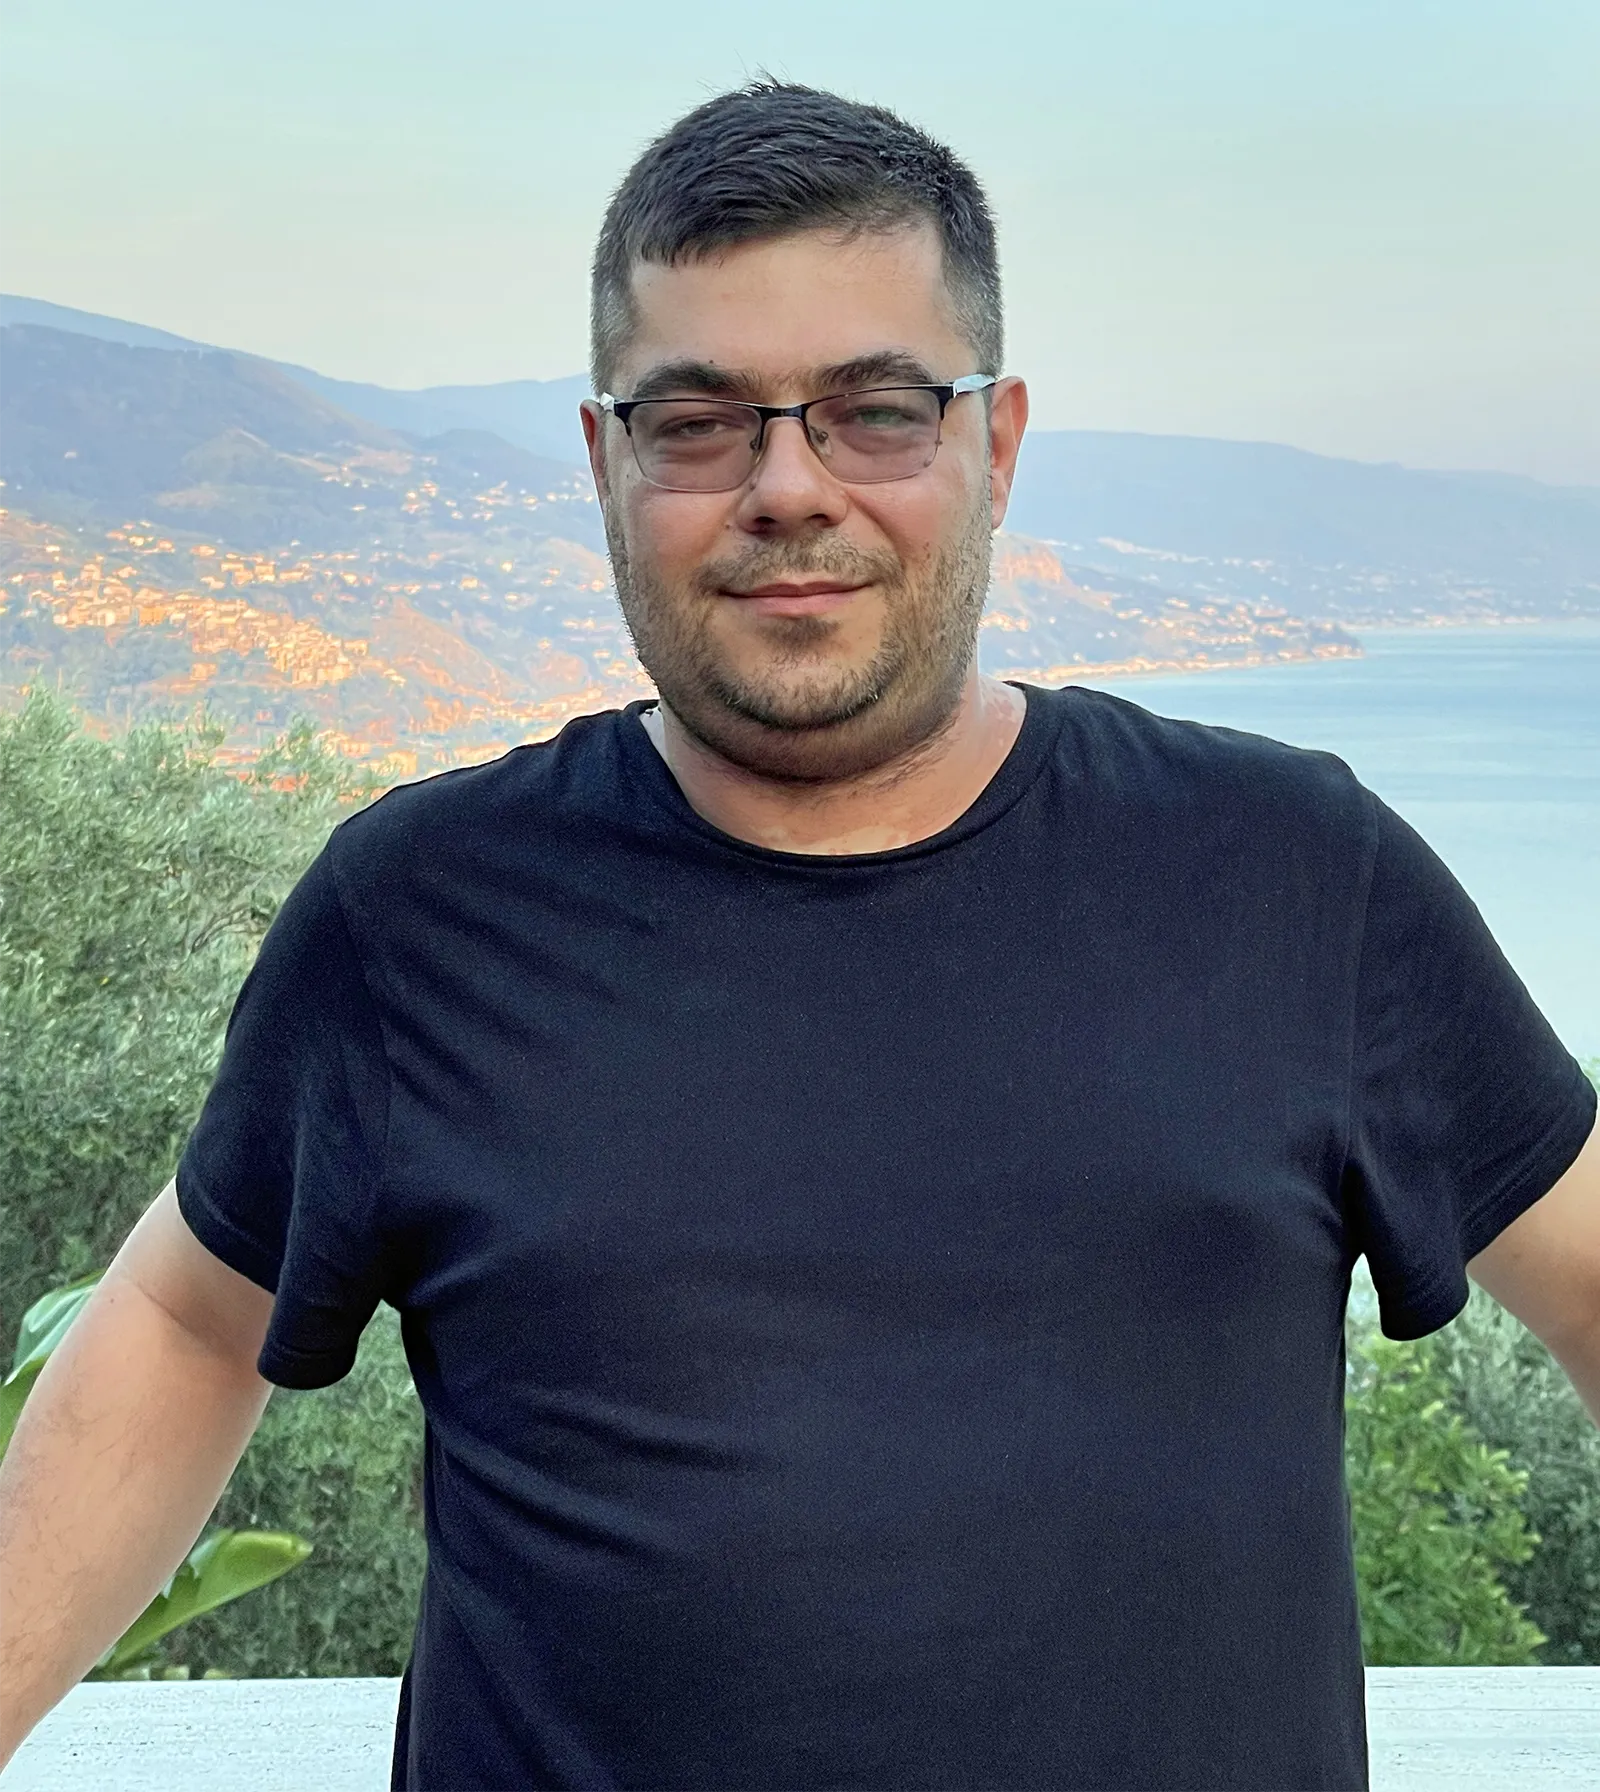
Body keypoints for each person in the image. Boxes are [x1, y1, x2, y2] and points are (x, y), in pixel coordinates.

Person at [0, 81, 1596, 1792]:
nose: (787, 485)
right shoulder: (416, 915)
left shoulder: (1293, 876)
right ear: (608, 460)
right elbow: (179, 1324)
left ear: (996, 439)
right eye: (698, 422)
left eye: (875, 410)